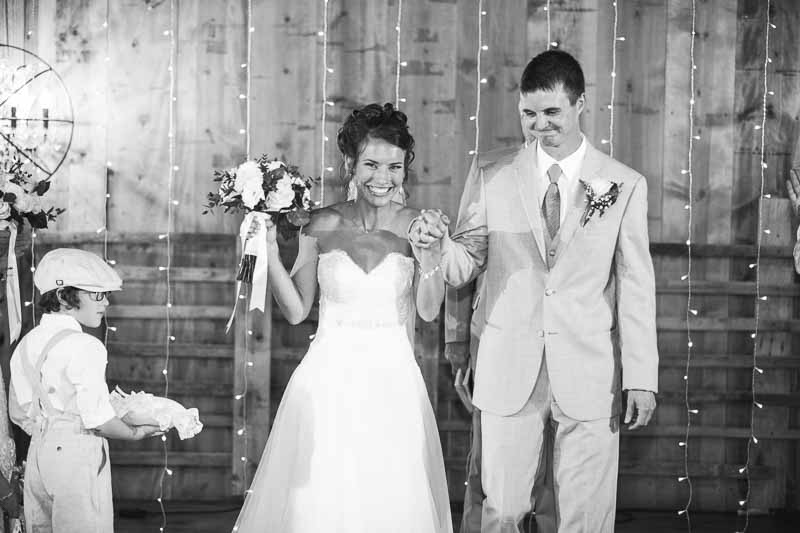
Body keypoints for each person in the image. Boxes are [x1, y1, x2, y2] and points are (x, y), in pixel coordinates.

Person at [410, 49, 659, 532]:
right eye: (528, 114)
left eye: (551, 112)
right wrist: (438, 246)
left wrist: (642, 377)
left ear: (580, 104)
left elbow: (636, 286)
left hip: (590, 372)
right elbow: (464, 266)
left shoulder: (624, 184)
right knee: (502, 509)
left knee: (586, 518)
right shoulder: (491, 172)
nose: (539, 126)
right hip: (508, 366)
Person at [231, 103, 452, 533]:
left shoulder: (418, 226)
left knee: (390, 498)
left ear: (405, 168)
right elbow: (296, 310)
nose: (382, 178)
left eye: (394, 166)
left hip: (392, 384)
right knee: (320, 499)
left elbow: (427, 309)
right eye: (371, 164)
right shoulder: (319, 224)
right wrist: (269, 251)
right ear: (350, 164)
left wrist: (430, 256)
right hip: (327, 382)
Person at [8, 248, 163, 532]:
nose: (106, 303)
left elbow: (18, 413)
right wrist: (136, 433)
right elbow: (99, 421)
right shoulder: (87, 346)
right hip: (76, 456)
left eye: (106, 295)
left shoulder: (25, 344)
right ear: (62, 295)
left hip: (38, 454)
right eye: (97, 295)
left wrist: (50, 429)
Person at [445, 146, 554, 533]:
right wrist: (456, 339)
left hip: (570, 351)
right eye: (530, 116)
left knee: (557, 488)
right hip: (500, 343)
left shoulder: (597, 174)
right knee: (491, 478)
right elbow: (464, 257)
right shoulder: (492, 169)